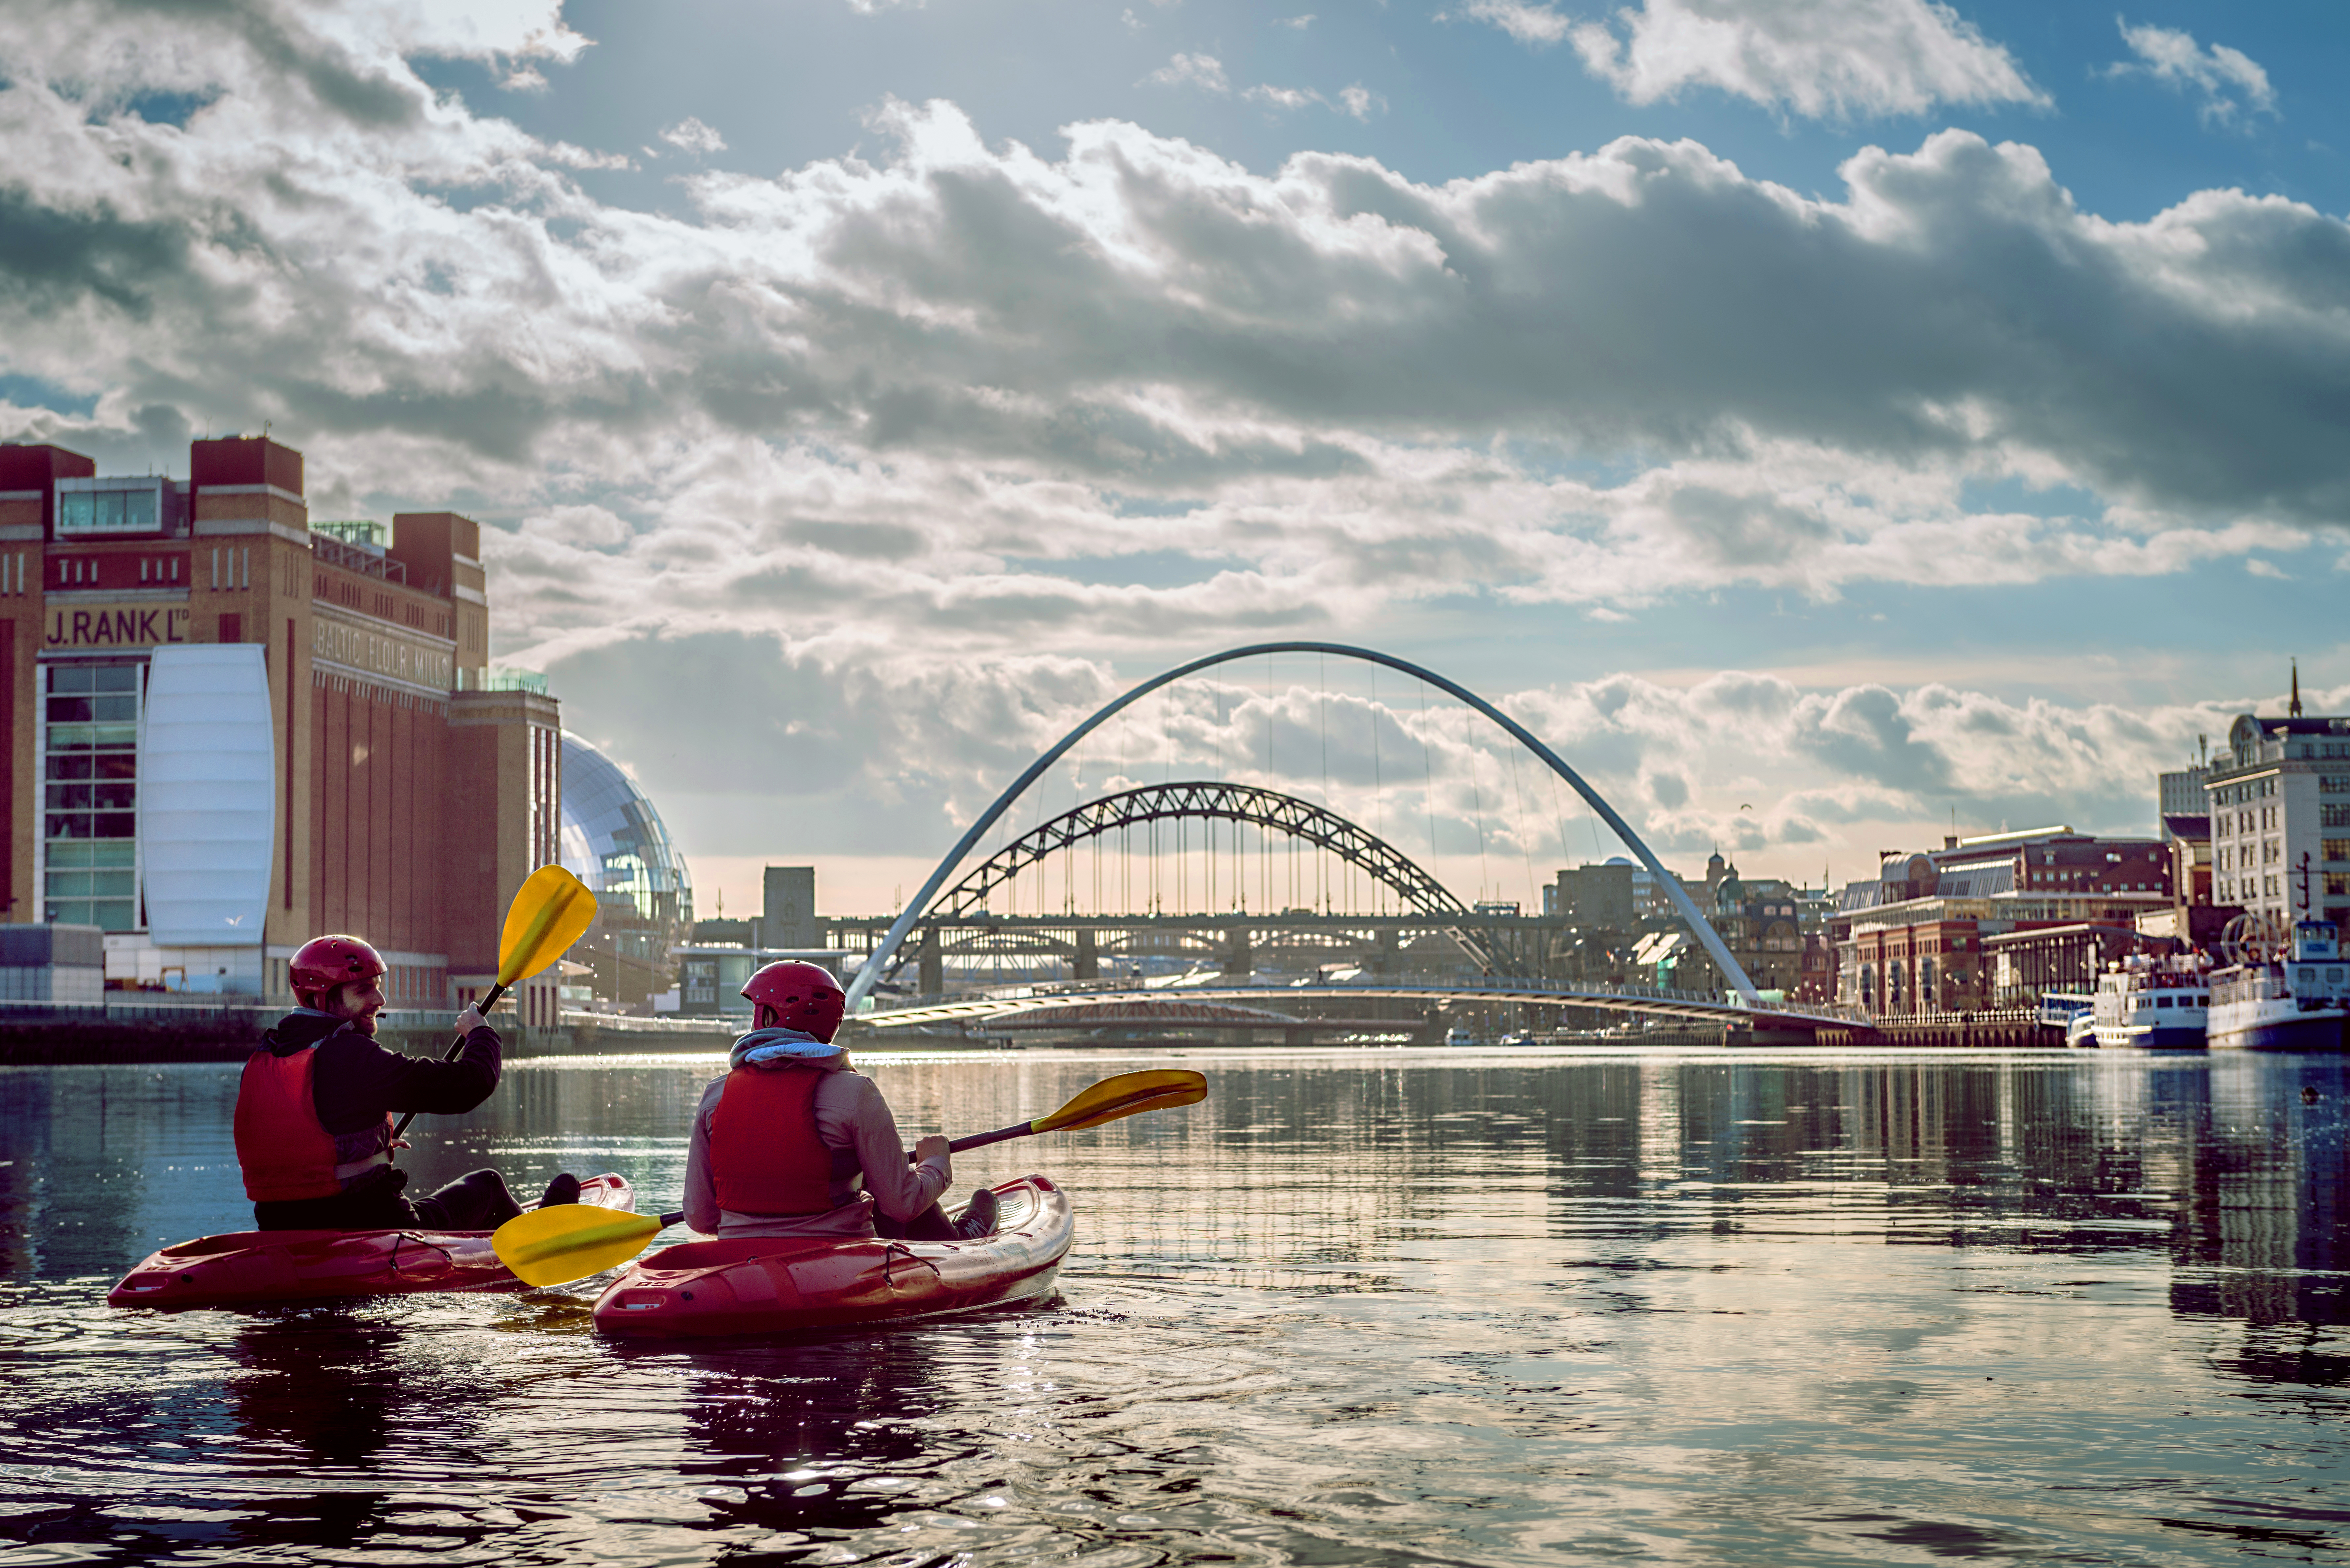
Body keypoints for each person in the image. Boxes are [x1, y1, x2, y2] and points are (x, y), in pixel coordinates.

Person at [233, 933, 579, 1231]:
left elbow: (303, 1134)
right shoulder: (351, 1056)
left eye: (378, 988)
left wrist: (369, 1143)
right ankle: (544, 1236)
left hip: (281, 1227)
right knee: (488, 1185)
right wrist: (481, 1033)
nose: (380, 1001)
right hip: (369, 1226)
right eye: (363, 989)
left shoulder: (264, 1055)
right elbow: (472, 1082)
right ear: (322, 998)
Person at [682, 960, 997, 1242]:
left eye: (756, 1010)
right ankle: (962, 1238)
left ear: (767, 1016)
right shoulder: (856, 1093)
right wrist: (937, 1162)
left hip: (739, 1257)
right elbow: (902, 1204)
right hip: (837, 1256)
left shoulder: (716, 1095)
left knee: (875, 1186)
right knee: (887, 1187)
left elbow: (701, 1218)